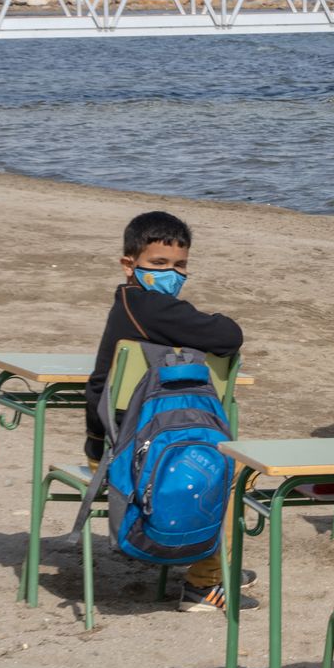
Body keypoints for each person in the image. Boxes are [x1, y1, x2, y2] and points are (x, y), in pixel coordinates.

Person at [84, 211, 256, 613]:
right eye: (159, 264)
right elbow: (228, 335)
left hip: (112, 445)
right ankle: (205, 584)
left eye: (180, 265)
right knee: (223, 473)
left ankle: (213, 566)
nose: (172, 274)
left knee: (209, 467)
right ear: (130, 265)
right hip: (126, 451)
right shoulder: (151, 309)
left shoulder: (130, 306)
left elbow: (96, 393)